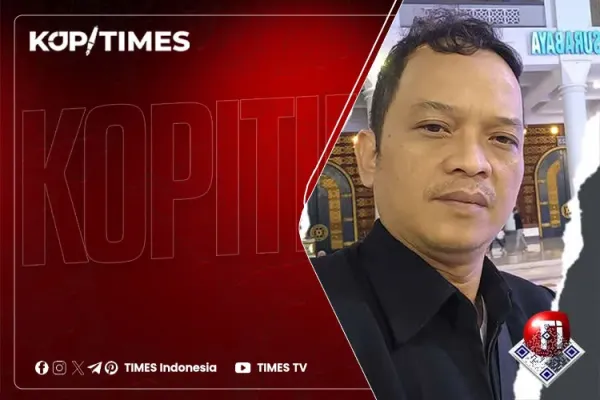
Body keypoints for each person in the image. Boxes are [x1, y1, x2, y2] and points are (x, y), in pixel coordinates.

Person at [311, 10, 554, 400]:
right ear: (370, 156)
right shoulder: (294, 320)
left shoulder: (541, 315)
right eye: (434, 127)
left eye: (502, 138)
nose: (473, 163)